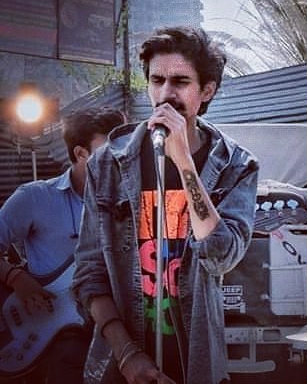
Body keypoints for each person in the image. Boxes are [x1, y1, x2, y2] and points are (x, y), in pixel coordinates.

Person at [72, 26, 259, 384]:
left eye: (180, 82)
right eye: (157, 81)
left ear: (206, 91)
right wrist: (127, 354)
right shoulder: (107, 164)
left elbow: (222, 256)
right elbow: (89, 273)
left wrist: (184, 161)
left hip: (195, 358)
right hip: (123, 361)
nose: (165, 95)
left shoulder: (236, 165)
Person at [0, 107, 126, 384]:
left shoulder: (132, 204)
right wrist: (16, 278)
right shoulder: (34, 198)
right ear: (81, 153)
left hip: (114, 326)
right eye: (111, 150)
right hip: (53, 330)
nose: (122, 157)